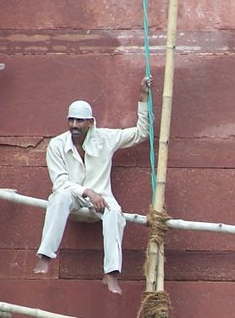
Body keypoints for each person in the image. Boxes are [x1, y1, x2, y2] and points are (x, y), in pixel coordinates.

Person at [34, 76, 153, 295]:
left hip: (102, 197)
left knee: (115, 213)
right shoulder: (57, 145)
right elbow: (60, 182)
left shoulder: (106, 138)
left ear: (90, 122)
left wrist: (142, 98)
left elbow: (141, 133)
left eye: (80, 121)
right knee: (58, 198)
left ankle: (111, 273)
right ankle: (45, 256)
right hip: (72, 194)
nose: (74, 125)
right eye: (71, 120)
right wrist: (87, 192)